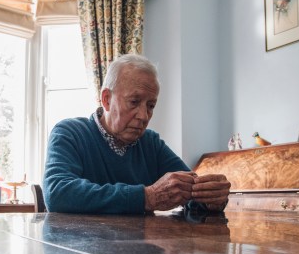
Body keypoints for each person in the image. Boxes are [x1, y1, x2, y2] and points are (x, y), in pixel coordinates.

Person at [43, 54, 230, 214]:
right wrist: (145, 197)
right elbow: (57, 194)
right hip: (81, 252)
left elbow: (189, 191)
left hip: (138, 253)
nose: (143, 116)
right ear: (106, 99)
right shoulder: (69, 133)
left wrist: (211, 199)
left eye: (151, 106)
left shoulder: (151, 143)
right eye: (134, 102)